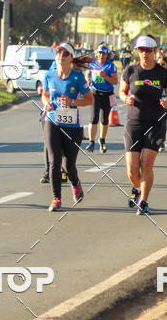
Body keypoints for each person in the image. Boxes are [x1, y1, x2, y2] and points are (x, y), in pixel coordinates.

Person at [120, 35, 167, 214]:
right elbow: (122, 91)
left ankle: (143, 201)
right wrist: (126, 98)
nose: (145, 53)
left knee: (146, 165)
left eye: (148, 50)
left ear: (155, 51)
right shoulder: (130, 70)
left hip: (155, 124)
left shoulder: (163, 73)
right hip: (133, 123)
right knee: (131, 170)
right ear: (138, 51)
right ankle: (138, 188)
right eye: (141, 50)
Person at [41, 43, 93, 211]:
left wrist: (72, 101)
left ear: (71, 57)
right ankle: (56, 199)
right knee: (54, 162)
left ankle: (75, 183)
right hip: (52, 121)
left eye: (65, 54)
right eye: (58, 53)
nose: (61, 56)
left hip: (73, 126)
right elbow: (44, 94)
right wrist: (46, 103)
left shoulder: (77, 77)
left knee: (68, 166)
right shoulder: (49, 75)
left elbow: (90, 100)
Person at [86, 45, 118, 153]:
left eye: (104, 53)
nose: (101, 55)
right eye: (100, 53)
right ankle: (91, 142)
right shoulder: (92, 64)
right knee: (94, 117)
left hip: (107, 94)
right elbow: (88, 74)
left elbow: (115, 81)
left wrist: (105, 76)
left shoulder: (111, 66)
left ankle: (102, 140)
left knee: (104, 119)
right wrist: (88, 79)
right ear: (96, 54)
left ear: (107, 55)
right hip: (95, 92)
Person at [156, 52, 167, 151]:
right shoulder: (153, 74)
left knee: (162, 123)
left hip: (165, 103)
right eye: (159, 64)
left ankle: (161, 141)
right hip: (154, 103)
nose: (161, 66)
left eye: (163, 64)